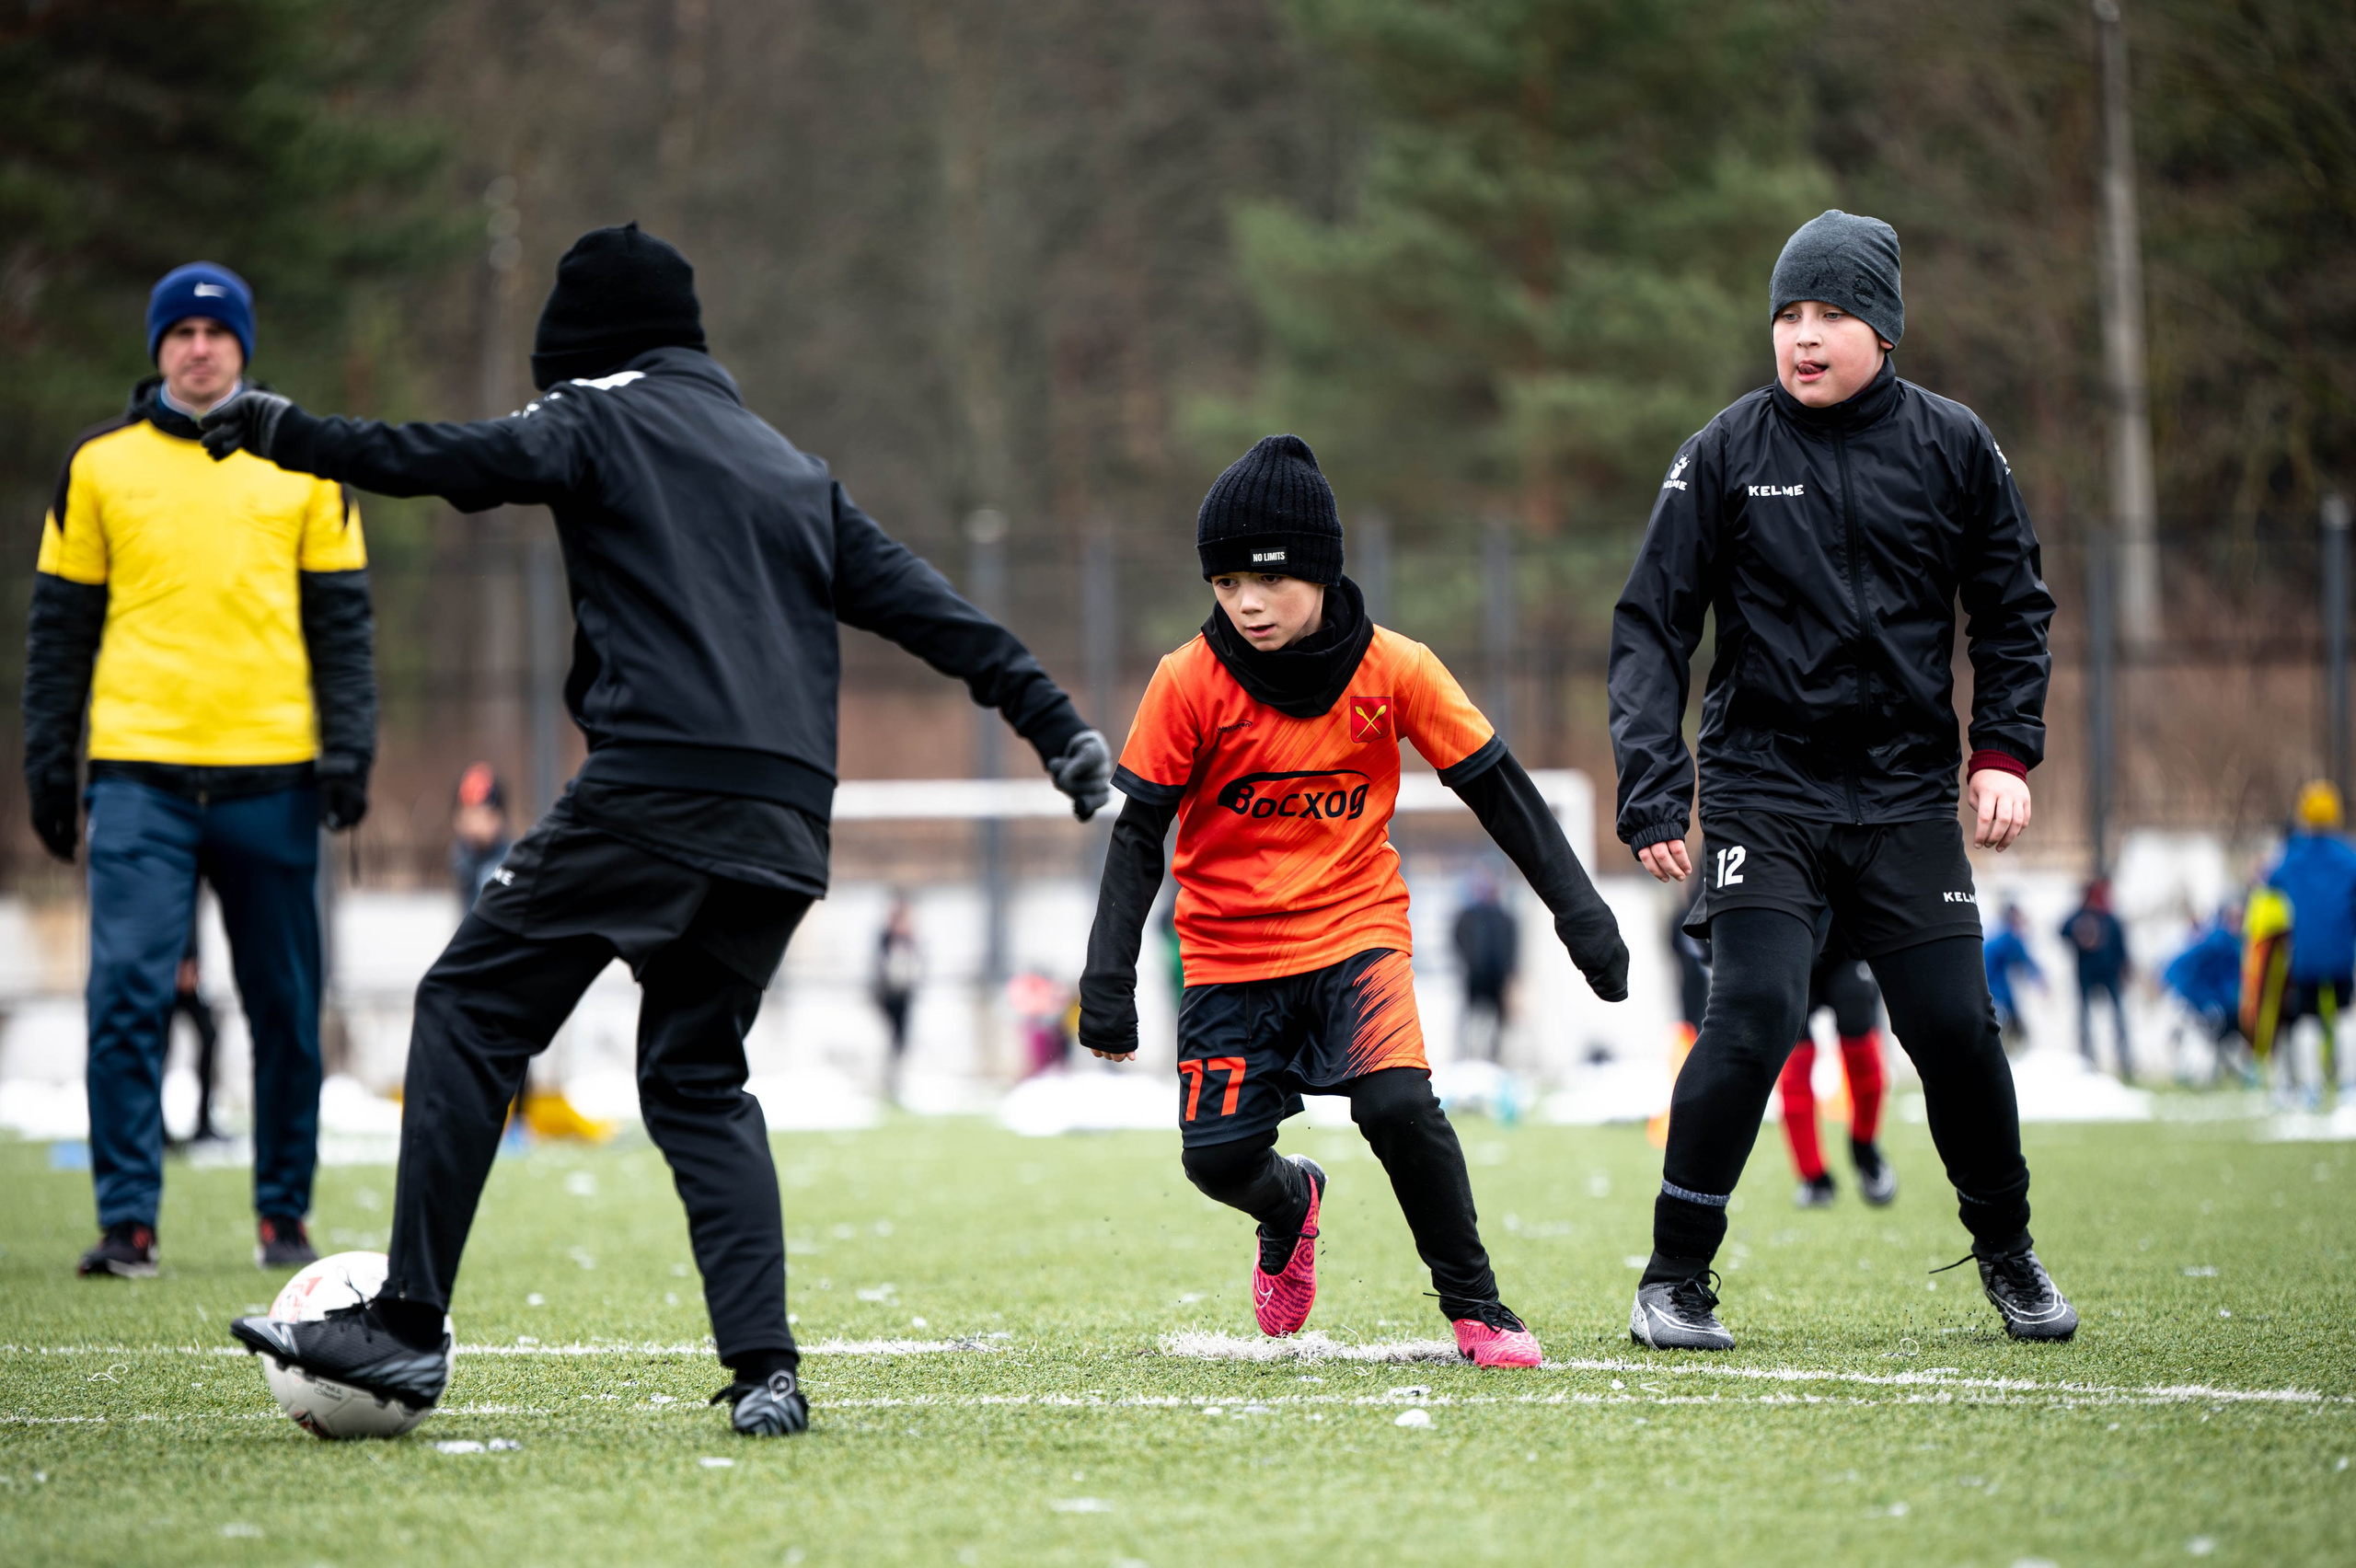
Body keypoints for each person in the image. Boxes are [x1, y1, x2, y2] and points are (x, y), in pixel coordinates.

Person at [212, 225, 1112, 1437]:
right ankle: (767, 1373)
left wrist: (280, 430)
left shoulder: (597, 417)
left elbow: (449, 461)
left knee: (471, 1005)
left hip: (656, 790)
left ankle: (406, 1328)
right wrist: (1059, 728)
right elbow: (941, 616)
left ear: (578, 356)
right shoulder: (793, 470)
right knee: (696, 1077)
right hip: (787, 820)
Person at [1610, 210, 2073, 1349]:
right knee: (1756, 1014)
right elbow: (1648, 628)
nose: (1803, 338)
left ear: (1884, 329)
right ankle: (1673, 1277)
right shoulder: (1723, 452)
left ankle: (2009, 1257)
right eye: (1788, 316)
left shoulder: (1955, 444)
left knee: (1956, 1028)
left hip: (1908, 795)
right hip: (1765, 790)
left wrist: (2004, 752)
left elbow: (2013, 611)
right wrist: (1651, 781)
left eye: (1830, 315)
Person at [1078, 434, 1628, 1369]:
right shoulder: (1186, 682)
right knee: (1214, 1161)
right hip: (1226, 956)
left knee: (1400, 1106)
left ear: (1321, 573)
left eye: (1265, 580)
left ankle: (1478, 1309)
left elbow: (1499, 789)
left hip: (1354, 934)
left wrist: (1581, 914)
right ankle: (1290, 1202)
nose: (1244, 603)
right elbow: (1137, 837)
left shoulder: (1397, 669)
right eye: (1222, 584)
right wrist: (1107, 979)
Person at [26, 261, 375, 1278]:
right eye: (178, 330)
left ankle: (284, 1219)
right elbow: (58, 636)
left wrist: (349, 751)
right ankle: (128, 1221)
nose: (197, 345)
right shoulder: (98, 467)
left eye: (215, 331)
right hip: (139, 779)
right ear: (157, 348)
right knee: (125, 997)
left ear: (243, 347)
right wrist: (51, 767)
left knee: (284, 1008)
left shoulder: (307, 463)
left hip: (276, 778)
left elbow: (344, 626)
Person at [1777, 924, 1894, 1208]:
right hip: (1788, 940)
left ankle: (1865, 1148)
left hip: (1843, 937)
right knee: (1795, 1060)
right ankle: (1813, 1177)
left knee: (1862, 1048)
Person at [2261, 780, 2356, 1106]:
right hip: (2342, 952)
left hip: (2305, 955)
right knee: (2344, 1014)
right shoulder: (2347, 857)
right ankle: (2348, 1084)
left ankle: (2311, 1086)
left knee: (2306, 1018)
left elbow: (2269, 881)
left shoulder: (2293, 857)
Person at [2162, 905, 2245, 1084]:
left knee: (2222, 1040)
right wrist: (2204, 1001)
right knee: (2207, 1039)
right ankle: (2196, 1075)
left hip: (2221, 1006)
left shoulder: (2233, 942)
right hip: (2207, 1005)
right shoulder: (2218, 942)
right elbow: (2176, 968)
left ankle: (2219, 1074)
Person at [2061, 881, 2133, 1080]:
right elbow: (2063, 931)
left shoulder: (2110, 919)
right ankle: (2087, 1061)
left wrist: (2125, 970)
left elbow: (2121, 947)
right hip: (2086, 976)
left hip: (2110, 975)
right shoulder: (2079, 917)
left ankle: (2125, 1061)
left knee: (2119, 1019)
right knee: (2085, 1020)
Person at [165, 907, 225, 1148]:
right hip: (165, 971)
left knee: (209, 1036)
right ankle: (156, 1128)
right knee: (159, 1047)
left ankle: (204, 1122)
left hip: (188, 969)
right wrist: (180, 961)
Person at [1450, 867, 1519, 1063]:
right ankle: (1465, 1056)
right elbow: (1458, 940)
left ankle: (1494, 1056)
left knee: (1498, 1021)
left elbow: (1512, 946)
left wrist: (1510, 972)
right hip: (1474, 975)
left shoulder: (1505, 918)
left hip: (1497, 977)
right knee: (1469, 1017)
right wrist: (1468, 961)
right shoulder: (1467, 916)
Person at [872, 894, 920, 1101]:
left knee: (901, 1040)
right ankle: (887, 1080)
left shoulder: (909, 939)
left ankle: (896, 1080)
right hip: (889, 997)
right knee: (889, 1038)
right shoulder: (886, 938)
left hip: (904, 997)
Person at [450, 762, 512, 907]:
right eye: (469, 816)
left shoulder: (510, 861)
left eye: (483, 817)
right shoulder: (462, 856)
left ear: (499, 818)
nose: (475, 826)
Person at [1983, 901, 2043, 1050]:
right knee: (2010, 1030)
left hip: (1993, 990)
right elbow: (2026, 960)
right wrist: (2041, 982)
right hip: (1996, 993)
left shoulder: (1997, 935)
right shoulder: (2008, 937)